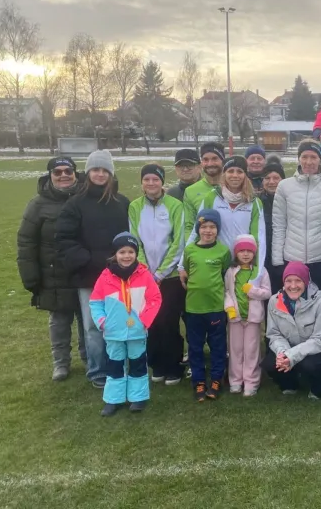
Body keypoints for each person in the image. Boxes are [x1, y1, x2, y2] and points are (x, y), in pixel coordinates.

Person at [55, 150, 130, 389]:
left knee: (120, 322)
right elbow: (65, 239)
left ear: (111, 174)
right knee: (94, 326)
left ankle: (120, 366)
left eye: (105, 170)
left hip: (119, 275)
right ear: (87, 173)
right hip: (89, 276)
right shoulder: (75, 204)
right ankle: (98, 371)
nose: (100, 174)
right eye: (95, 170)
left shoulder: (122, 203)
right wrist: (91, 260)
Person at [271, 140, 321, 381]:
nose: (309, 162)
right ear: (298, 159)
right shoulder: (285, 187)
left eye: (314, 157)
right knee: (292, 311)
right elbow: (279, 224)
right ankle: (291, 359)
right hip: (293, 259)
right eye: (305, 157)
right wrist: (278, 260)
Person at [17, 157, 86, 382]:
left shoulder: (86, 198)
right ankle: (61, 362)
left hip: (83, 269)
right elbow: (26, 242)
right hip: (53, 273)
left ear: (75, 173)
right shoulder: (37, 205)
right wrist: (30, 276)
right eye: (57, 172)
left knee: (87, 319)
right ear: (50, 175)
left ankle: (89, 358)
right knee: (59, 320)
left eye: (68, 171)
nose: (63, 175)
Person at [89, 232, 161, 416]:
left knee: (138, 363)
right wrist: (103, 322)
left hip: (137, 331)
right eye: (122, 252)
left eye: (131, 252)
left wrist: (144, 321)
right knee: (114, 365)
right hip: (113, 332)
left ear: (136, 254)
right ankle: (113, 399)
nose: (126, 256)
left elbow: (154, 299)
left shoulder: (144, 275)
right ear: (115, 254)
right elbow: (95, 302)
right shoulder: (105, 277)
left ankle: (138, 397)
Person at [128, 164, 186, 385]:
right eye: (147, 179)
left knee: (169, 321)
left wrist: (161, 273)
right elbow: (135, 240)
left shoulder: (175, 205)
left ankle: (174, 366)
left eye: (155, 179)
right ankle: (157, 364)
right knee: (151, 321)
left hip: (168, 277)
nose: (151, 183)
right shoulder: (135, 206)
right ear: (142, 182)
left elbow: (178, 242)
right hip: (145, 276)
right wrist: (145, 270)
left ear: (162, 182)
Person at [186, 155, 266, 285]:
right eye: (230, 171)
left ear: (245, 175)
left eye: (239, 171)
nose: (235, 175)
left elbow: (259, 239)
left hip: (242, 266)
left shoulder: (254, 202)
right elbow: (197, 231)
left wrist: (257, 274)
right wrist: (182, 265)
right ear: (224, 174)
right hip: (214, 263)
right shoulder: (211, 197)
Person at [263, 261, 321, 399]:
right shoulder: (274, 301)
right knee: (270, 364)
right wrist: (283, 354)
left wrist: (291, 355)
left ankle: (317, 387)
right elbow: (274, 334)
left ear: (306, 282)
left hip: (315, 350)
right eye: (288, 281)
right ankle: (289, 384)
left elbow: (320, 340)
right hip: (288, 347)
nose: (293, 286)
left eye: (298, 281)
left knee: (311, 365)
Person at [182, 209, 232, 402]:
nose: (208, 231)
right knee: (195, 347)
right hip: (194, 308)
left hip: (215, 308)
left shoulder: (223, 251)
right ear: (198, 229)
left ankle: (217, 379)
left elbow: (225, 273)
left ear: (217, 230)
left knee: (218, 346)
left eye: (212, 227)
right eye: (204, 227)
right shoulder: (190, 250)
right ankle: (199, 381)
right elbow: (188, 270)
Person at [224, 234, 272, 397]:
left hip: (253, 318)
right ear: (236, 253)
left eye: (249, 251)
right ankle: (235, 381)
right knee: (235, 349)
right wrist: (229, 307)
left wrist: (252, 291)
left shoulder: (260, 271)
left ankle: (251, 382)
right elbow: (226, 291)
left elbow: (267, 293)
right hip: (235, 318)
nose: (245, 254)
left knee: (251, 350)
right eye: (241, 251)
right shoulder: (231, 271)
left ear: (254, 253)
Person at [183, 142, 225, 238]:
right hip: (203, 245)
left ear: (223, 160)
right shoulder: (190, 191)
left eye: (215, 159)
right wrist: (191, 246)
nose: (210, 164)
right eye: (205, 160)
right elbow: (189, 226)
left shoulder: (233, 187)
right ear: (201, 163)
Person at [259, 155, 286, 294]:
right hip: (263, 256)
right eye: (267, 178)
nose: (271, 182)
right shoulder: (256, 202)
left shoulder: (289, 201)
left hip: (284, 256)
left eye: (276, 178)